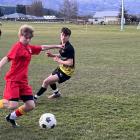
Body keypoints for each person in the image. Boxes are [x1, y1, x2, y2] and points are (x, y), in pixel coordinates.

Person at [0, 24, 62, 128]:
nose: (28, 40)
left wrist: (57, 46)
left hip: (23, 82)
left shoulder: (28, 47)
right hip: (13, 80)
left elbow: (42, 47)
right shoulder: (17, 47)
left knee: (30, 105)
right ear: (20, 35)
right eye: (26, 37)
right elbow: (7, 58)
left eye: (30, 38)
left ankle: (11, 117)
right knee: (12, 105)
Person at [34, 27, 75, 101]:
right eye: (62, 35)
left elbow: (70, 63)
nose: (63, 37)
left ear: (68, 36)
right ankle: (57, 93)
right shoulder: (62, 44)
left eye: (65, 35)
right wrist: (52, 55)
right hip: (61, 68)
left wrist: (58, 60)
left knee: (46, 81)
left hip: (67, 72)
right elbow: (62, 55)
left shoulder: (69, 48)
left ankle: (35, 98)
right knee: (50, 80)